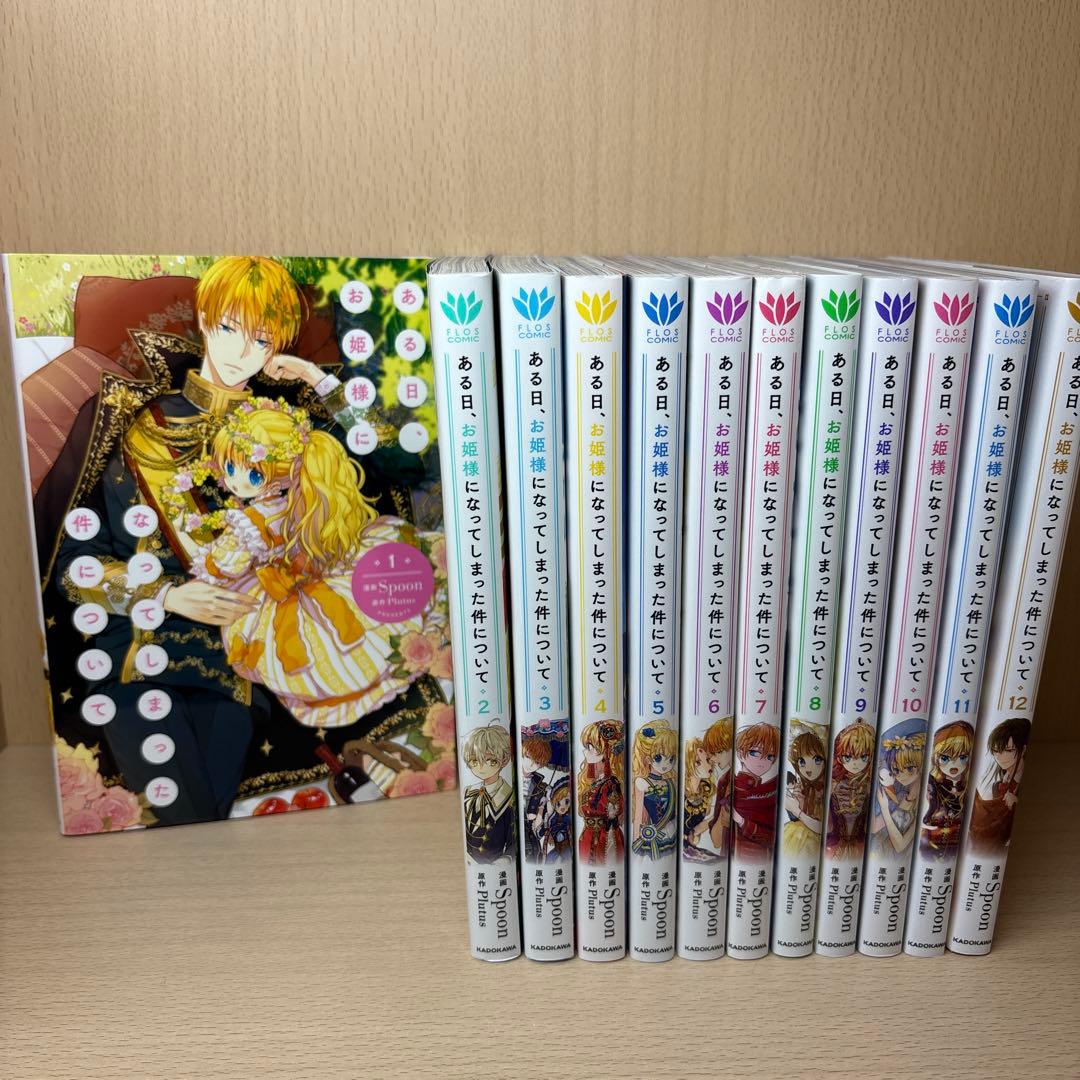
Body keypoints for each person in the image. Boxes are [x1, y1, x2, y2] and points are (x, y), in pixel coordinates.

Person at [55, 256, 358, 824]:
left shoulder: (289, 429)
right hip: (140, 659)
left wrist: (315, 379)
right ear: (202, 319)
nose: (242, 351)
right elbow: (73, 568)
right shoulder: (129, 422)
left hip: (239, 673)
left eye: (262, 339)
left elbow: (387, 453)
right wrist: (167, 595)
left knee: (201, 828)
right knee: (188, 822)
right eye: (228, 327)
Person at [166, 399, 447, 731]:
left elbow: (227, 564)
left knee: (309, 648)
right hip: (311, 576)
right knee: (348, 633)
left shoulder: (251, 521)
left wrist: (211, 566)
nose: (236, 482)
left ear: (279, 475)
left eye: (251, 473)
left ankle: (352, 685)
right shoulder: (299, 501)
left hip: (287, 591)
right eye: (229, 469)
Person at [968, 717, 1030, 854]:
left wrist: (1016, 802)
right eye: (996, 751)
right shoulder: (998, 785)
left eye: (1008, 750)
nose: (1001, 757)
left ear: (1023, 750)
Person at [919, 721, 974, 857]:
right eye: (945, 758)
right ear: (936, 758)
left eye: (962, 757)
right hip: (933, 836)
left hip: (957, 838)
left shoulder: (965, 785)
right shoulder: (933, 783)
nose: (954, 765)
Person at [461, 724, 515, 862]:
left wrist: (504, 860)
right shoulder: (469, 791)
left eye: (490, 760)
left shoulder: (508, 798)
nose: (481, 767)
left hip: (495, 864)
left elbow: (513, 843)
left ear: (504, 760)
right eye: (474, 761)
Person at [682, 716, 733, 861]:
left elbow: (709, 821)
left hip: (692, 847)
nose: (707, 765)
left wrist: (695, 832)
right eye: (698, 762)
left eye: (707, 760)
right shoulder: (680, 791)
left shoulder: (707, 789)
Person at [825, 720, 875, 860]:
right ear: (839, 757)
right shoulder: (834, 785)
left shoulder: (869, 786)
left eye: (863, 757)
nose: (855, 763)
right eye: (848, 757)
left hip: (860, 847)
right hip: (834, 846)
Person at [577, 720, 625, 864]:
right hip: (589, 836)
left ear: (607, 756)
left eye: (592, 748)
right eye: (588, 747)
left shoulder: (611, 784)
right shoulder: (596, 782)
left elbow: (612, 813)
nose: (586, 752)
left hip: (604, 837)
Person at [731, 722, 780, 859]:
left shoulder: (771, 791)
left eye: (770, 756)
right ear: (740, 753)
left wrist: (741, 821)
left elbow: (770, 837)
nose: (762, 761)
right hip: (736, 855)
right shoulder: (729, 785)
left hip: (760, 857)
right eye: (754, 753)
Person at [630, 721, 678, 858]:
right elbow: (638, 814)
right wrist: (636, 840)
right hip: (654, 834)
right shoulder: (641, 782)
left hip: (672, 830)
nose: (666, 764)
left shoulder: (671, 782)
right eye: (658, 758)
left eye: (671, 758)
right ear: (647, 759)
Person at [782, 728, 827, 857]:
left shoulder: (825, 789)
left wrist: (797, 811)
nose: (808, 768)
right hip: (799, 833)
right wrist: (800, 802)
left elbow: (822, 828)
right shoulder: (804, 786)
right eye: (802, 762)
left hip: (814, 840)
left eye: (817, 760)